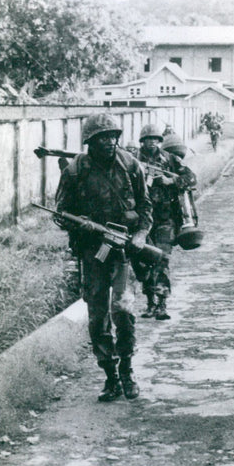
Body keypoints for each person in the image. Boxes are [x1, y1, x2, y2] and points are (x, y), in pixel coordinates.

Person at [55, 113, 152, 402]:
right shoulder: (75, 171)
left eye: (113, 136)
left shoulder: (130, 165)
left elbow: (146, 208)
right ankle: (110, 375)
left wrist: (140, 235)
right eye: (102, 138)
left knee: (122, 310)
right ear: (91, 142)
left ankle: (128, 372)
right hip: (93, 251)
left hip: (122, 251)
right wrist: (79, 222)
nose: (109, 142)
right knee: (97, 316)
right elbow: (61, 213)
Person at [133, 127, 197, 321]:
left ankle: (161, 304)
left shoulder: (169, 159)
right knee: (144, 261)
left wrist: (171, 181)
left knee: (161, 258)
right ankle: (150, 302)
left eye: (155, 139)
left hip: (164, 218)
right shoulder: (132, 159)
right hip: (141, 220)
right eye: (147, 139)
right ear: (141, 141)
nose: (151, 142)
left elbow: (191, 178)